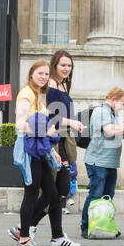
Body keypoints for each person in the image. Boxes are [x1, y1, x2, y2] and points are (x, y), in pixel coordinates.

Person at [10, 60, 68, 246]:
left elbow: (44, 124)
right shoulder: (26, 93)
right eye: (40, 73)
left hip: (40, 149)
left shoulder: (40, 94)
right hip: (29, 149)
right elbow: (20, 123)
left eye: (46, 74)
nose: (43, 77)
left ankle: (22, 229)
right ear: (31, 74)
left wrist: (52, 151)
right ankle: (24, 239)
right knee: (32, 192)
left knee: (52, 194)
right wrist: (43, 131)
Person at [36, 50, 85, 230]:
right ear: (54, 65)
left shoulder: (62, 85)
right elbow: (48, 116)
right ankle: (25, 227)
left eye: (69, 65)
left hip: (63, 139)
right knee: (53, 190)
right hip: (53, 141)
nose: (66, 69)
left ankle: (55, 234)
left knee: (60, 189)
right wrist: (71, 121)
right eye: (63, 65)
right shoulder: (49, 85)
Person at [80, 87, 124, 237]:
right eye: (122, 103)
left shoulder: (112, 114)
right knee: (96, 194)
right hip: (98, 161)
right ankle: (85, 226)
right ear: (113, 99)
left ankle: (103, 225)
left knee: (107, 196)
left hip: (109, 162)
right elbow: (109, 131)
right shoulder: (101, 111)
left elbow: (114, 135)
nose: (123, 107)